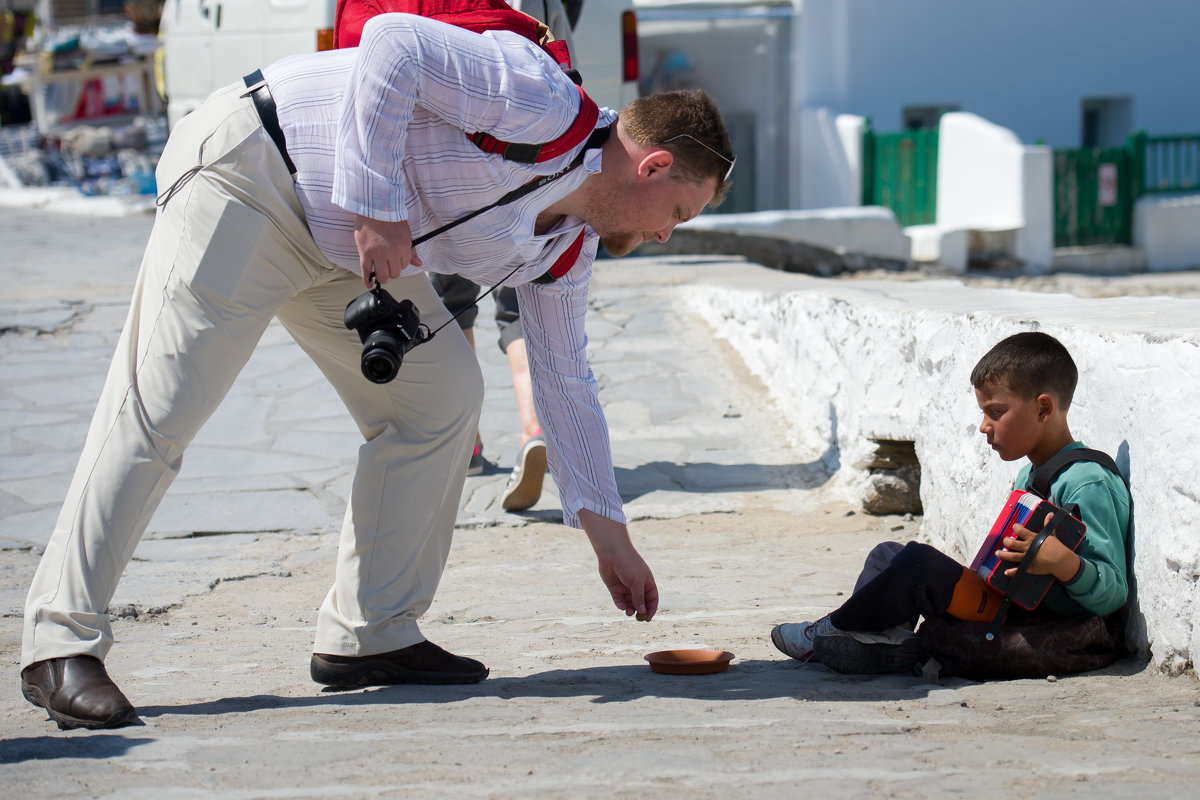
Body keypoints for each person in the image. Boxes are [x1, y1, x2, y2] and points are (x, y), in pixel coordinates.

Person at [19, 12, 734, 730]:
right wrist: (377, 205)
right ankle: (59, 642)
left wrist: (612, 539)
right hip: (255, 174)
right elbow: (392, 44)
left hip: (339, 245)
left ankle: (371, 632)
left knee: (443, 398)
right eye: (676, 211)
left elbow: (565, 382)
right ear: (654, 165)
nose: (666, 233)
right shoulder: (539, 98)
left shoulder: (567, 249)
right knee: (161, 405)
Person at [771, 332, 1132, 675]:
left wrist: (1062, 561)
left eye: (995, 412)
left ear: (1043, 409)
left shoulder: (1088, 482)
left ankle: (829, 632)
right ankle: (886, 637)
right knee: (888, 554)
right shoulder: (1031, 477)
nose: (984, 426)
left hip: (1038, 618)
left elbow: (1113, 594)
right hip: (1004, 599)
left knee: (919, 565)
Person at [335, 0, 569, 509]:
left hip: (438, 177)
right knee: (519, 305)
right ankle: (534, 427)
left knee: (446, 307)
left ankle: (467, 439)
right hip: (522, 166)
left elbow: (361, 62)